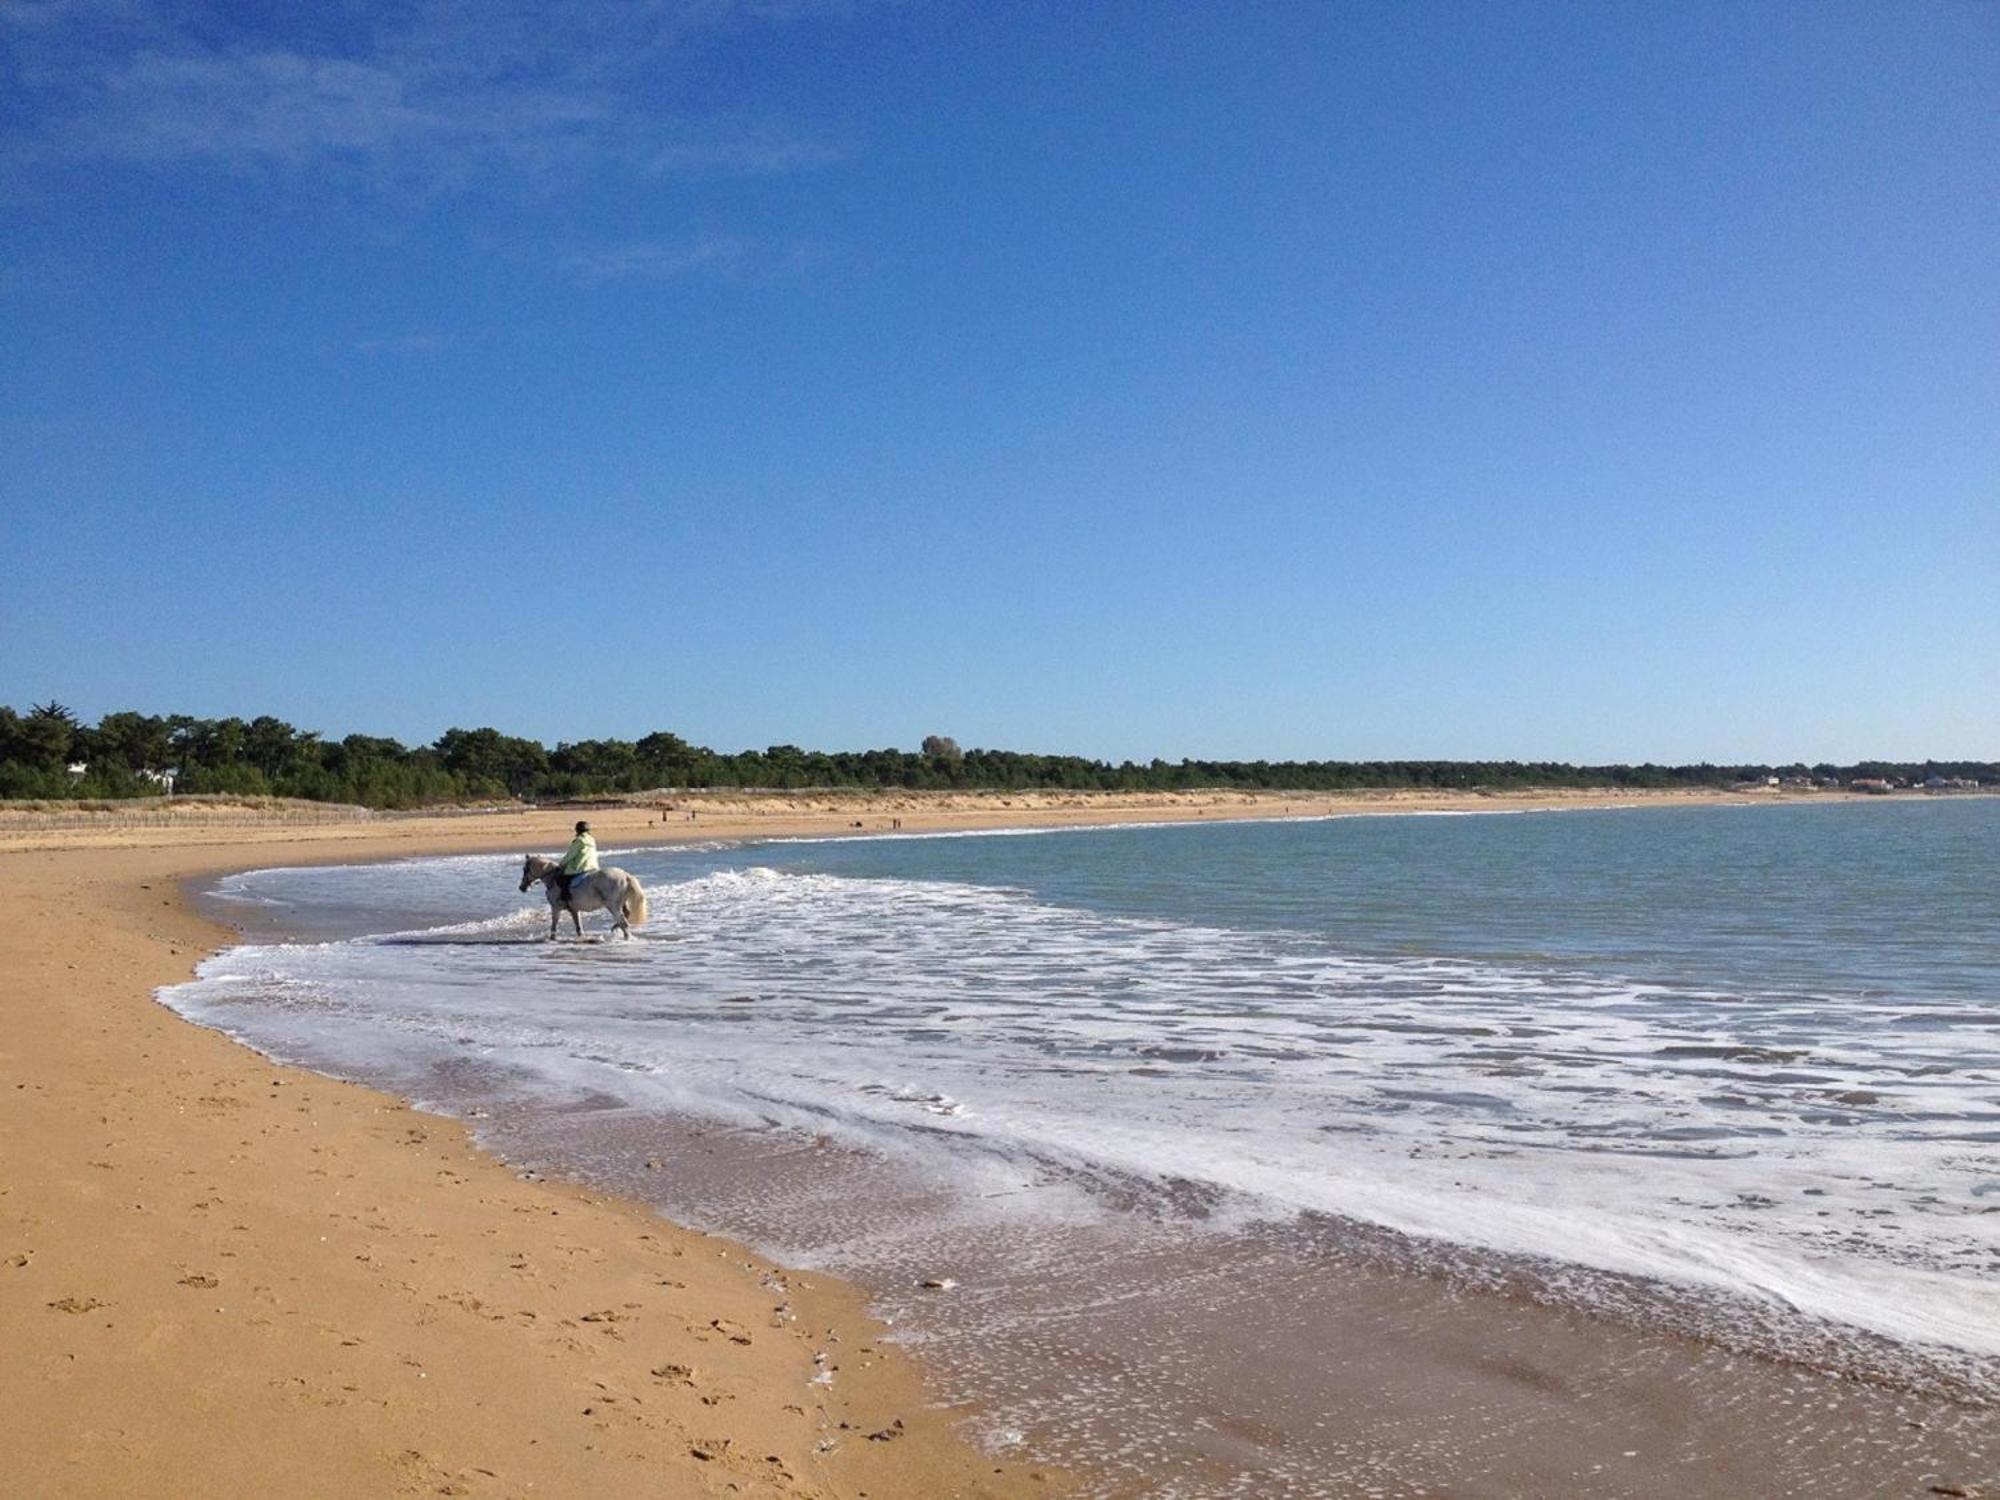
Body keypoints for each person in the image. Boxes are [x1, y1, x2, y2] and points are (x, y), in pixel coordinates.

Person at [556, 820, 599, 906]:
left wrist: (561, 864)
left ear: (577, 830)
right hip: (594, 866)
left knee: (561, 878)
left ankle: (565, 900)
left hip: (582, 867)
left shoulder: (579, 840)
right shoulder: (592, 839)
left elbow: (570, 855)